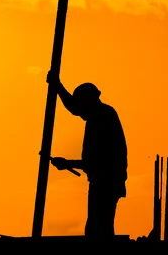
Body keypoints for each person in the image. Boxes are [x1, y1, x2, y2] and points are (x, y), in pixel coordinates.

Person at [47, 70, 128, 238]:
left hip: (107, 181)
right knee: (98, 227)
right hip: (104, 180)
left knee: (98, 228)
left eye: (81, 105)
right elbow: (74, 108)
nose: (79, 112)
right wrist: (58, 86)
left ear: (89, 101)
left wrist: (67, 163)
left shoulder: (103, 118)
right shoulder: (99, 115)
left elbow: (96, 162)